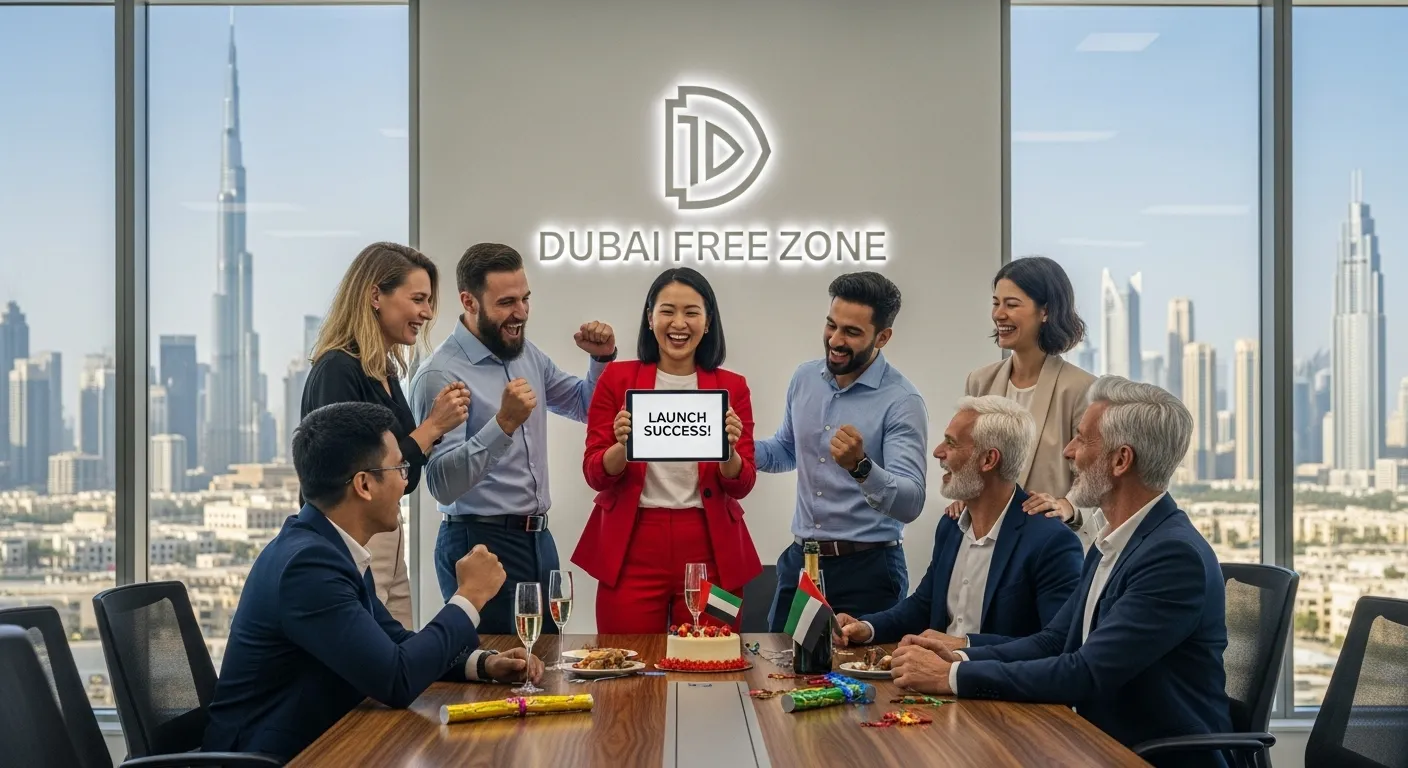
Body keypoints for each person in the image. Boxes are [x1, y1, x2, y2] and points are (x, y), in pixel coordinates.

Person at [888, 377, 1232, 767]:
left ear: (1121, 460)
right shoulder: (1114, 542)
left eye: (1082, 440)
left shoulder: (1172, 557)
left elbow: (1085, 672)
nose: (1068, 452)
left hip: (1146, 755)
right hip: (1092, 742)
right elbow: (1054, 641)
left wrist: (949, 679)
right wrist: (961, 658)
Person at [203, 402, 543, 762]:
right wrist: (469, 596)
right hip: (273, 757)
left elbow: (394, 645)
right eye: (399, 467)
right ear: (364, 485)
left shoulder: (328, 547)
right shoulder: (308, 567)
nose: (406, 480)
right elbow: (396, 679)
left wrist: (483, 665)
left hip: (326, 744)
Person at [411, 243, 616, 634]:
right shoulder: (440, 375)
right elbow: (441, 484)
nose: (520, 312)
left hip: (538, 540)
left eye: (525, 299)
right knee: (500, 674)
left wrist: (601, 360)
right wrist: (503, 423)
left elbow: (585, 405)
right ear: (469, 301)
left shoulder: (526, 354)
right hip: (480, 544)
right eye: (506, 302)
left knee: (546, 665)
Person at [573, 268, 760, 632]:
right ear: (649, 317)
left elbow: (743, 483)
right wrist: (621, 447)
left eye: (692, 312)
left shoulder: (732, 387)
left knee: (715, 662)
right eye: (667, 311)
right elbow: (594, 473)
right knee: (624, 665)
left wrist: (729, 453)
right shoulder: (616, 379)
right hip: (631, 548)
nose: (679, 323)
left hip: (713, 549)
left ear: (708, 323)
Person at [302, 241, 471, 626]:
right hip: (351, 541)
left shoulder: (387, 373)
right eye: (418, 299)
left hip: (387, 535)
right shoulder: (337, 370)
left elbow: (402, 475)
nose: (427, 313)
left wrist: (435, 428)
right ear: (376, 294)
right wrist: (433, 427)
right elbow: (353, 476)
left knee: (398, 657)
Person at [834, 396, 1082, 647]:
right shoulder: (951, 525)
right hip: (931, 680)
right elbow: (923, 605)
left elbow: (1057, 644)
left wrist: (965, 647)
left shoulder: (1052, 542)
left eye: (950, 443)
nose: (937, 452)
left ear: (988, 460)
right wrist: (866, 627)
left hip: (993, 683)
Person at [756, 272, 928, 629]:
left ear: (882, 337)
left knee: (865, 683)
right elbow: (785, 450)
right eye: (831, 325)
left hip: (869, 571)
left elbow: (911, 503)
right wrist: (734, 448)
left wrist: (861, 468)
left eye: (851, 332)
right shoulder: (804, 379)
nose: (835, 340)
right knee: (777, 675)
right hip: (800, 564)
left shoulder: (902, 401)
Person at [955, 256, 1101, 548]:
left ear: (1045, 311)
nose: (999, 314)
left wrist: (1068, 506)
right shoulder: (979, 381)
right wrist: (964, 495)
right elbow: (970, 461)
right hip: (986, 544)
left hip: (1048, 546)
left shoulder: (1082, 388)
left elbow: (1097, 475)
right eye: (996, 303)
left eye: (1012, 304)